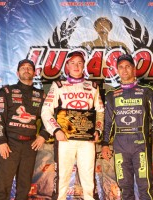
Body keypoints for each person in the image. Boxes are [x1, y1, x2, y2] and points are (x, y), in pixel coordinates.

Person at [41, 51, 104, 200]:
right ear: (67, 66)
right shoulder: (58, 85)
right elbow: (46, 110)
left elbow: (100, 112)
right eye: (73, 63)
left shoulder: (93, 86)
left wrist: (98, 130)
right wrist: (55, 130)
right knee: (62, 178)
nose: (76, 66)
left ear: (84, 66)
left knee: (89, 180)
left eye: (80, 63)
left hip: (86, 140)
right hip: (65, 139)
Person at [101, 54, 153, 200]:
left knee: (145, 187)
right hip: (120, 147)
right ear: (117, 70)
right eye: (121, 67)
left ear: (134, 69)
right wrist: (105, 144)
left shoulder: (147, 90)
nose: (124, 70)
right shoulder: (111, 94)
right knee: (124, 187)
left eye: (128, 66)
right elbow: (108, 122)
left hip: (140, 145)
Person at [0, 59, 50, 200]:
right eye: (23, 68)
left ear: (34, 72)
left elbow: (49, 117)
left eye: (29, 67)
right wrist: (1, 141)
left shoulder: (41, 95)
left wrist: (43, 135)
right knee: (2, 188)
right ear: (18, 73)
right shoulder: (7, 91)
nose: (26, 69)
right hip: (10, 144)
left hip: (30, 146)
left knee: (24, 188)